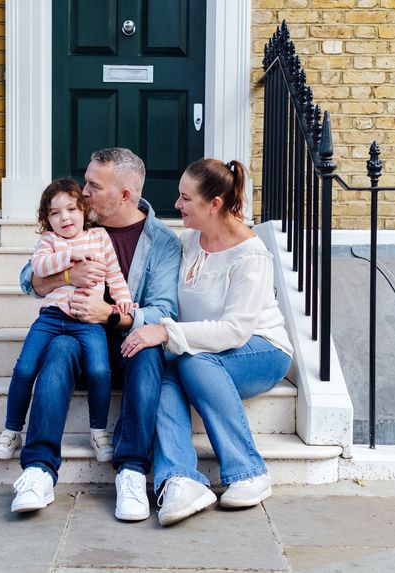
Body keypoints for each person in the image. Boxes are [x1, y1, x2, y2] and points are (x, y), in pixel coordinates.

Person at [10, 148, 181, 520]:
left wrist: (109, 315)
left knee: (148, 349)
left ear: (124, 195)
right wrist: (65, 278)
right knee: (57, 349)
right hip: (76, 333)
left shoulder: (163, 242)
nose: (82, 193)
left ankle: (133, 471)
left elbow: (164, 312)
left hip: (122, 338)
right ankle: (38, 469)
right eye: (85, 181)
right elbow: (29, 278)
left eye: (93, 186)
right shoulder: (75, 225)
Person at [121, 158, 294, 526]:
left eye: (186, 199)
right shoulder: (187, 243)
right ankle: (181, 479)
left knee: (191, 361)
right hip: (202, 352)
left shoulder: (252, 255)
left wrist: (166, 331)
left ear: (214, 204)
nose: (178, 205)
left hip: (261, 351)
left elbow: (235, 330)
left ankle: (248, 471)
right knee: (168, 374)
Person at [0, 179, 134, 464]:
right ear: (47, 219)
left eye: (71, 209)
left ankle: (98, 432)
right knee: (24, 368)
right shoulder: (49, 241)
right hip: (52, 318)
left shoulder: (100, 238)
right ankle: (11, 430)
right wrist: (70, 256)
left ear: (84, 210)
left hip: (87, 320)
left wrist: (123, 299)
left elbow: (114, 274)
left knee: (98, 370)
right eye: (55, 213)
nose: (64, 217)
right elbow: (39, 268)